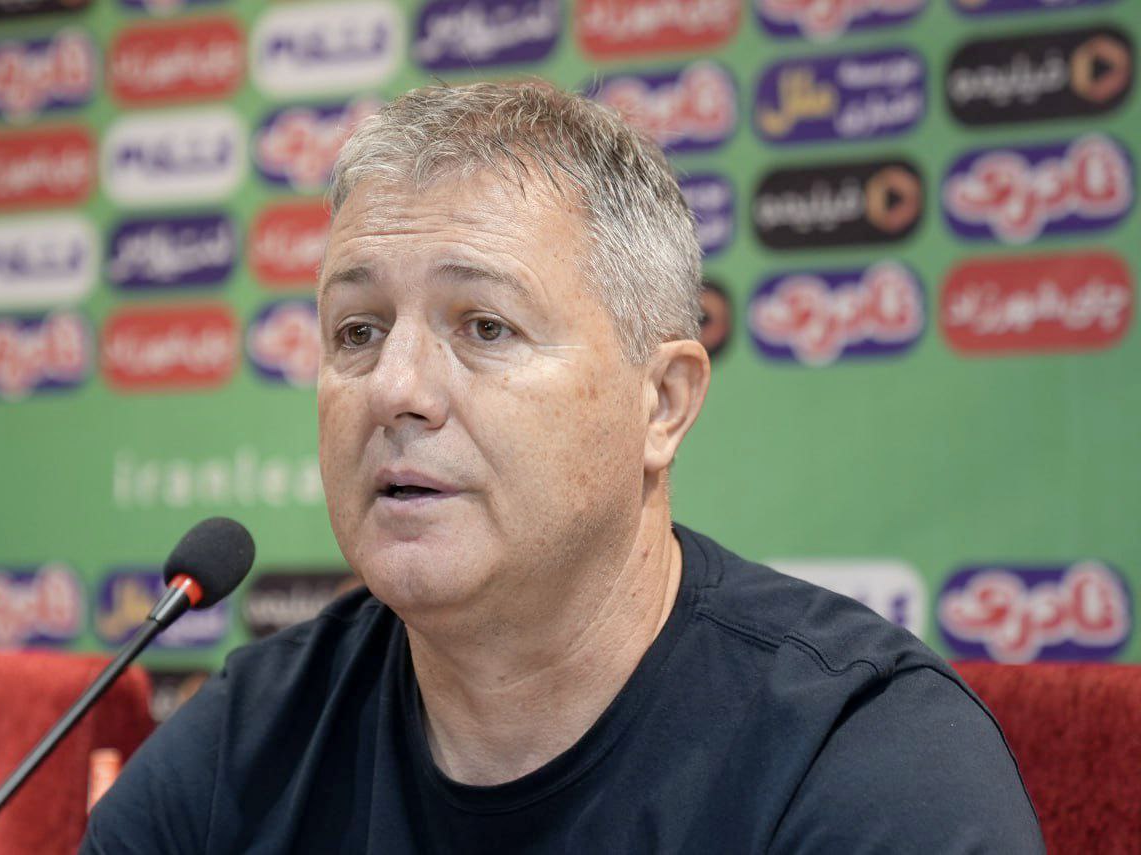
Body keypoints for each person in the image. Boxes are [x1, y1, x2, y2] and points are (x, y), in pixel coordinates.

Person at [83, 82, 1044, 853]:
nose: (396, 388)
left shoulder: (862, 760)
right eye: (358, 331)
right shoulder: (244, 749)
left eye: (484, 326)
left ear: (660, 403)